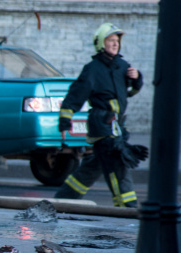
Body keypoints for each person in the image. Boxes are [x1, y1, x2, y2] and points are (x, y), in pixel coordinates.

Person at [54, 22, 144, 207]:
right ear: (101, 43)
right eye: (110, 40)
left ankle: (62, 200)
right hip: (102, 125)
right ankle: (128, 207)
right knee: (117, 164)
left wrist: (137, 79)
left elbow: (128, 93)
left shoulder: (122, 65)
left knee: (92, 167)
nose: (115, 44)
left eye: (117, 40)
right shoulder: (92, 69)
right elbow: (74, 97)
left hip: (117, 125)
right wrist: (64, 123)